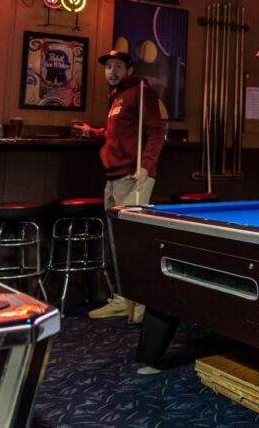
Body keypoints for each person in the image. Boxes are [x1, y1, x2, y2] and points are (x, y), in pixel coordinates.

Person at [74, 49, 166, 321]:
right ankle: (125, 299)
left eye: (117, 66)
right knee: (118, 242)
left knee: (133, 242)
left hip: (134, 176)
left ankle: (140, 305)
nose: (111, 71)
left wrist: (146, 166)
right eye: (107, 67)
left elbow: (157, 131)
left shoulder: (141, 92)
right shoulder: (116, 98)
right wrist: (93, 132)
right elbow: (117, 135)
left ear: (129, 69)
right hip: (113, 178)